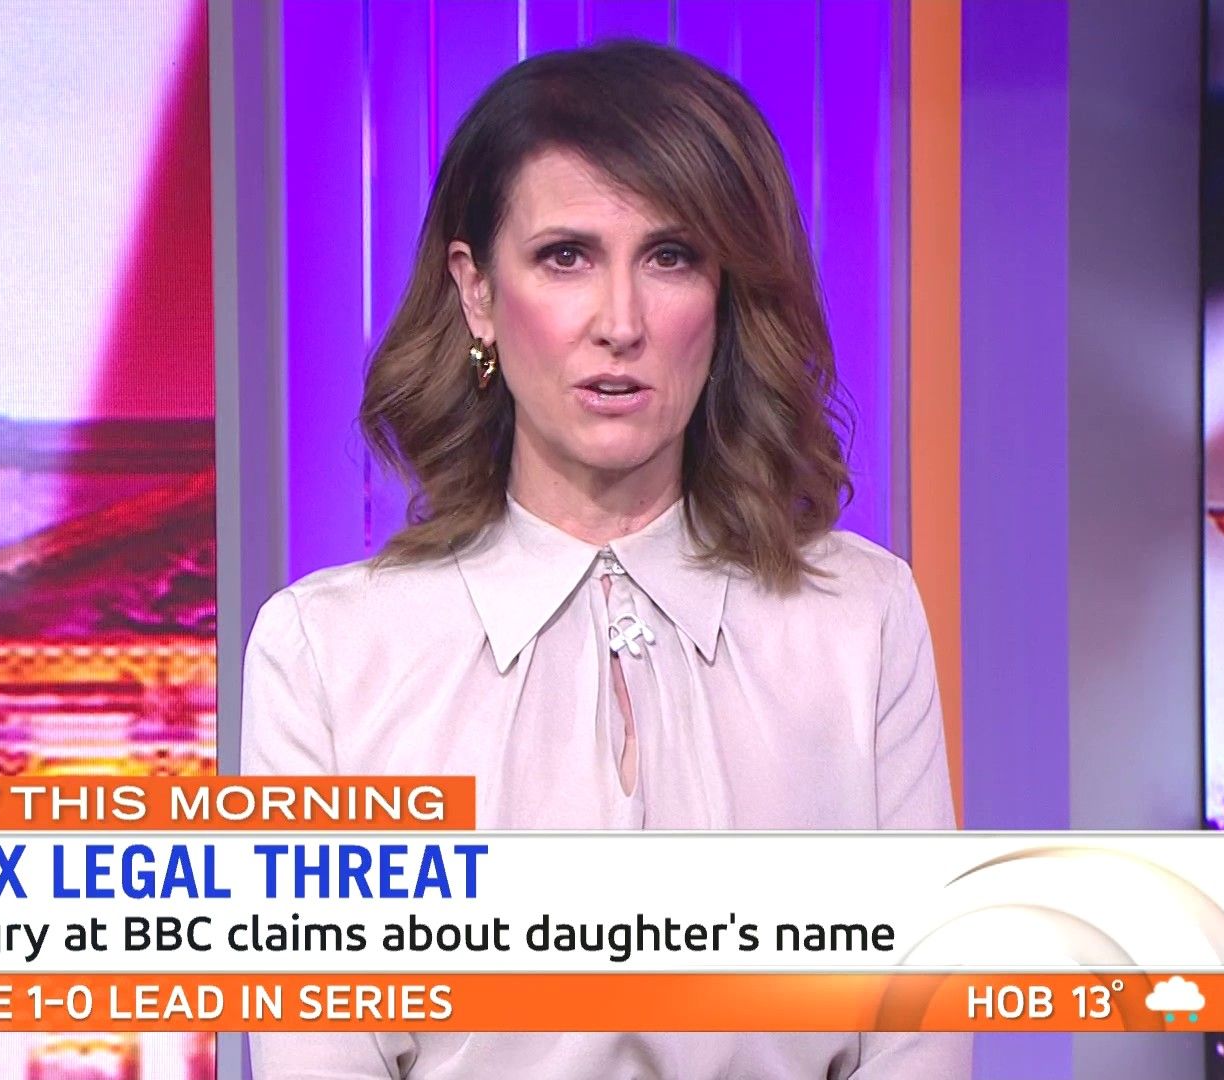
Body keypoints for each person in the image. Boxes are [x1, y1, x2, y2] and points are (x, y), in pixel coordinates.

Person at [242, 39, 967, 1080]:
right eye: (565, 257)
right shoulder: (327, 653)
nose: (619, 324)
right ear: (478, 293)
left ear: (724, 297)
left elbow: (918, 1043)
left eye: (670, 257)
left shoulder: (861, 618)